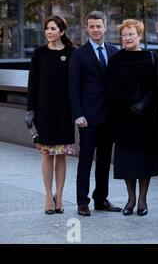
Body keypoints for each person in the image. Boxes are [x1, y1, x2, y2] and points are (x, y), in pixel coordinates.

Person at [107, 19, 158, 216]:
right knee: (127, 162)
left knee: (144, 160)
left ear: (139, 35)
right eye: (124, 35)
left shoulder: (152, 57)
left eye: (131, 34)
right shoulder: (115, 59)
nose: (127, 38)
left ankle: (142, 199)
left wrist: (144, 104)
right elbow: (111, 87)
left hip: (147, 118)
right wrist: (128, 102)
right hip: (124, 118)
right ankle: (130, 198)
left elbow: (157, 86)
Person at [68, 11, 121, 216]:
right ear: (87, 28)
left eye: (99, 26)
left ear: (105, 26)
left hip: (109, 117)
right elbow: (72, 88)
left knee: (105, 160)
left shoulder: (114, 51)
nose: (96, 29)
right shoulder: (79, 54)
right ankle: (82, 201)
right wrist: (77, 115)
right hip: (88, 118)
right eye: (92, 26)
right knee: (86, 160)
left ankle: (101, 199)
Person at [26, 14, 76, 215]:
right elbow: (32, 84)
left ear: (62, 32)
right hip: (44, 112)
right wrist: (30, 111)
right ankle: (48, 195)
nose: (49, 32)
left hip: (64, 113)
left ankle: (60, 196)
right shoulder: (39, 54)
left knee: (61, 154)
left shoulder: (72, 53)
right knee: (46, 154)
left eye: (53, 28)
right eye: (47, 28)